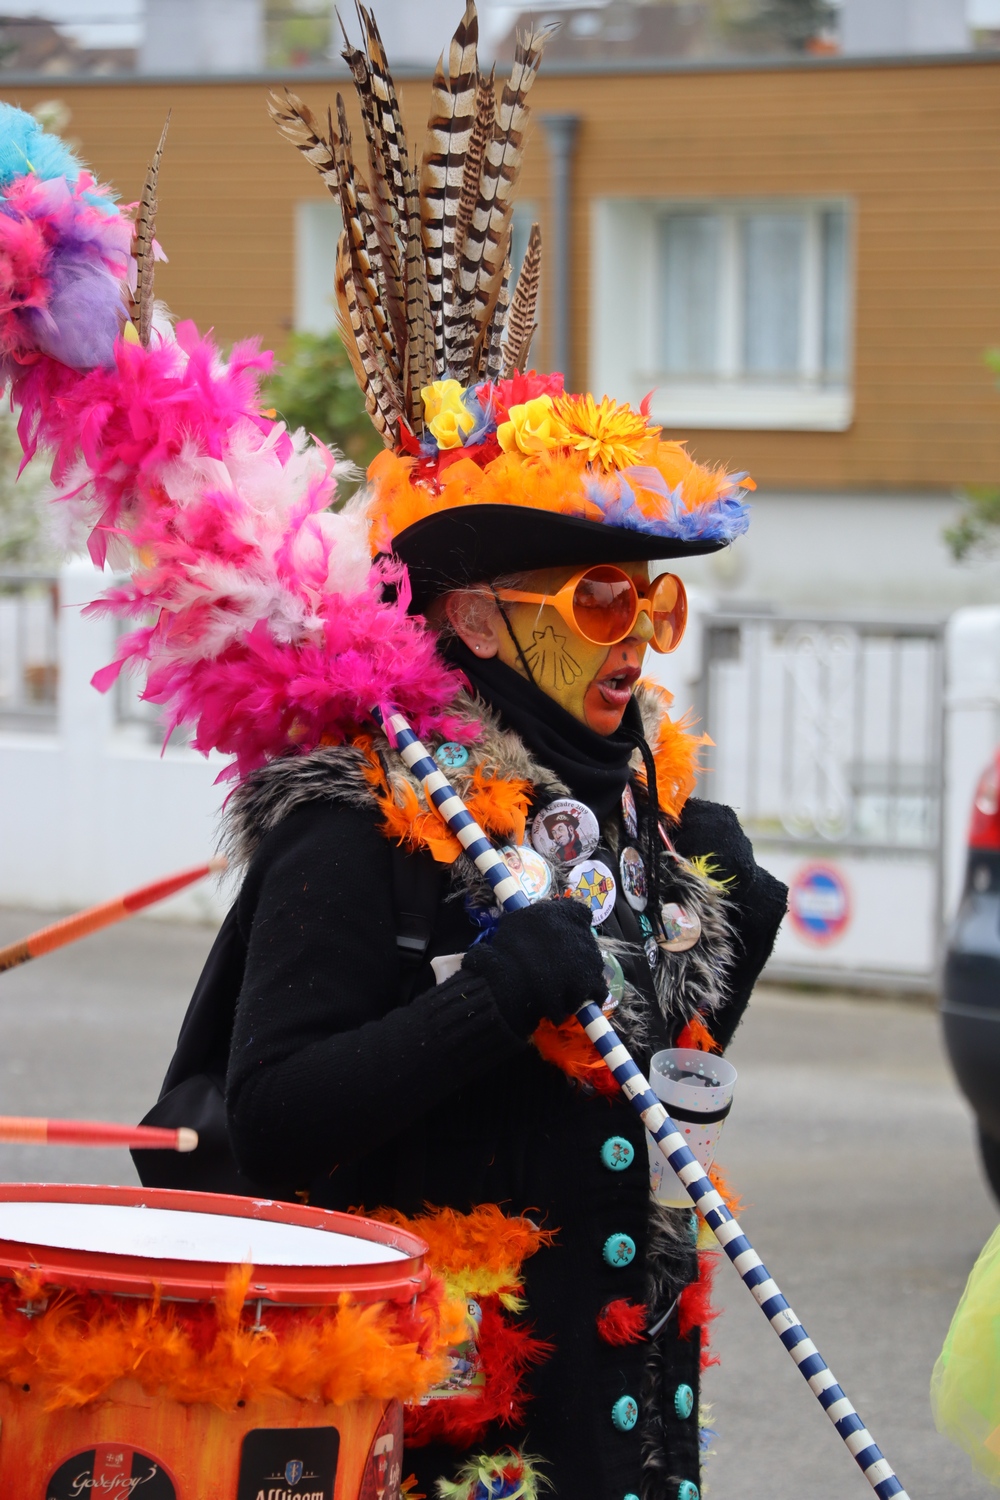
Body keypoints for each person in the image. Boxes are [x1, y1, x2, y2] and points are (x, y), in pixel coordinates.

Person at [0, 10, 785, 1499]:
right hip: (437, 1444)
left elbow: (643, 1095)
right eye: (601, 599)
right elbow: (276, 1116)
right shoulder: (365, 816)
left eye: (656, 602)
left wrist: (720, 937)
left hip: (622, 1432)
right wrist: (489, 995)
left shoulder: (637, 808)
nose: (640, 637)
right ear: (479, 619)